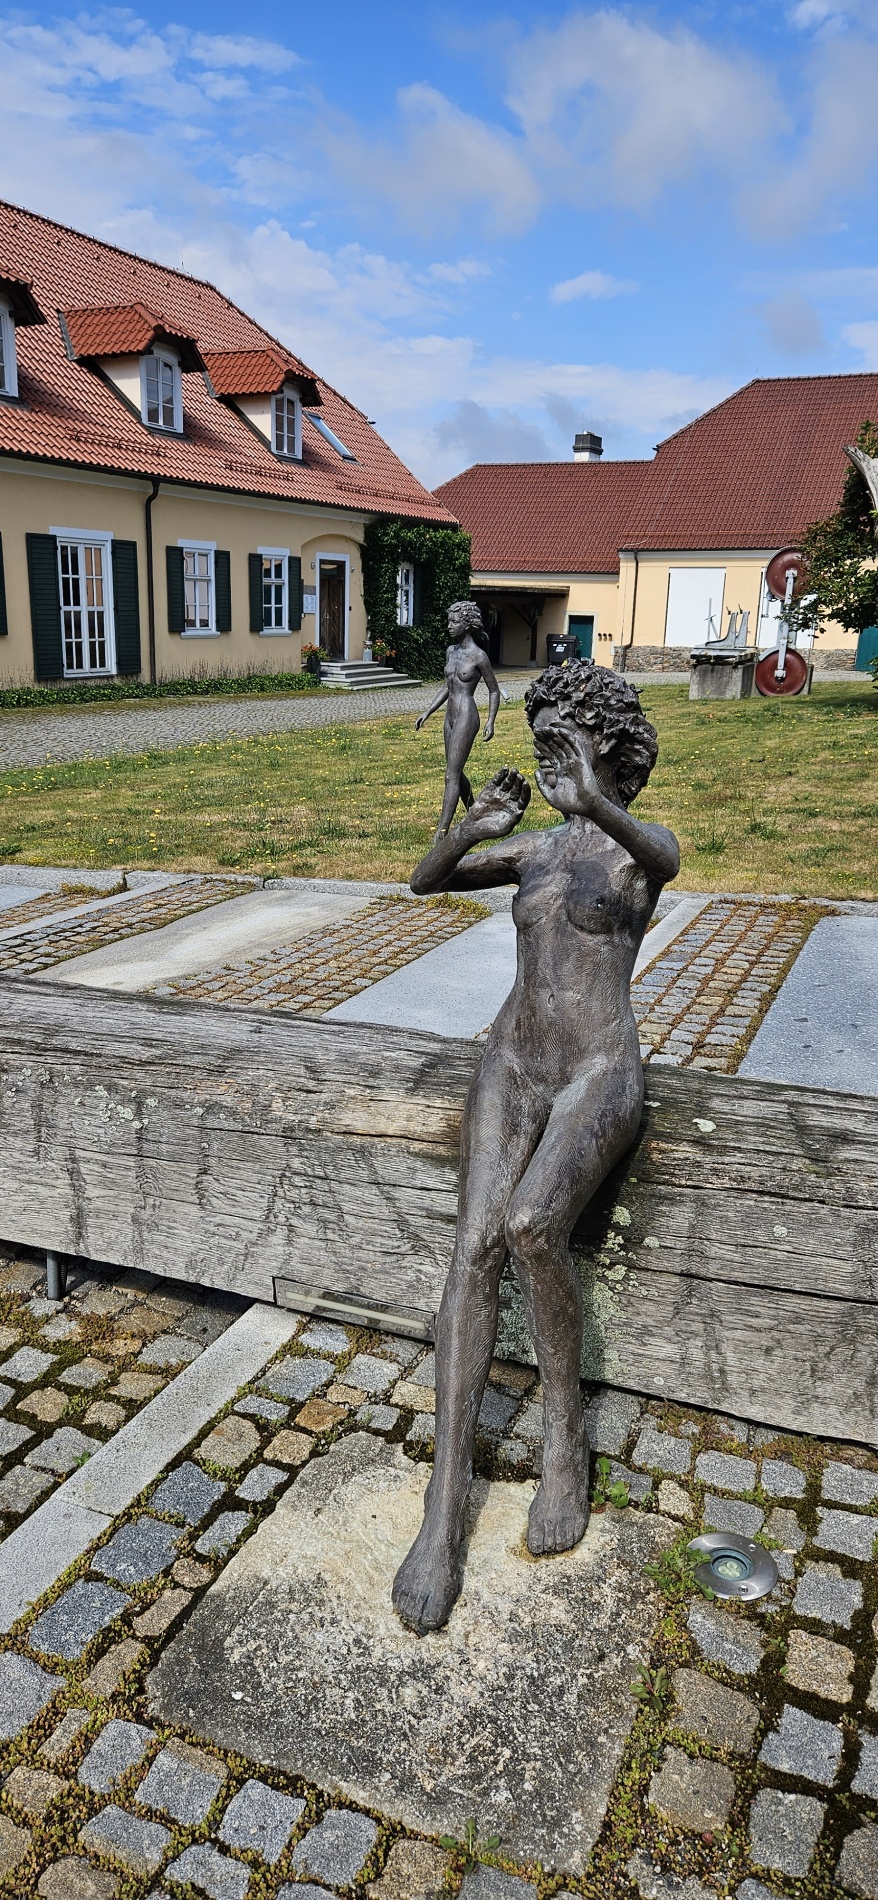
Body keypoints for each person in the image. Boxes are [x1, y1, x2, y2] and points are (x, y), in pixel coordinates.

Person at [393, 659, 680, 1636]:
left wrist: (595, 803)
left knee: (528, 1225)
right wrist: (471, 828)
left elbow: (665, 858)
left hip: (596, 1070)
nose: (551, 754)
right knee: (472, 1246)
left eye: (568, 738)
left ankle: (563, 1433)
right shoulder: (540, 853)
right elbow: (426, 879)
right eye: (542, 737)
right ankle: (442, 1514)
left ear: (611, 751)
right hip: (512, 1060)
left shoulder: (631, 852)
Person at [416, 600, 501, 836]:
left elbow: (494, 690)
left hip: (466, 715)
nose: (449, 626)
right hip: (450, 716)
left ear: (467, 625)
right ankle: (474, 810)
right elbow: (447, 686)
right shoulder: (451, 652)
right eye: (449, 622)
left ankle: (442, 831)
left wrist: (490, 721)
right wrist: (427, 712)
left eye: (454, 622)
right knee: (455, 770)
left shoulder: (479, 656)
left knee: (451, 775)